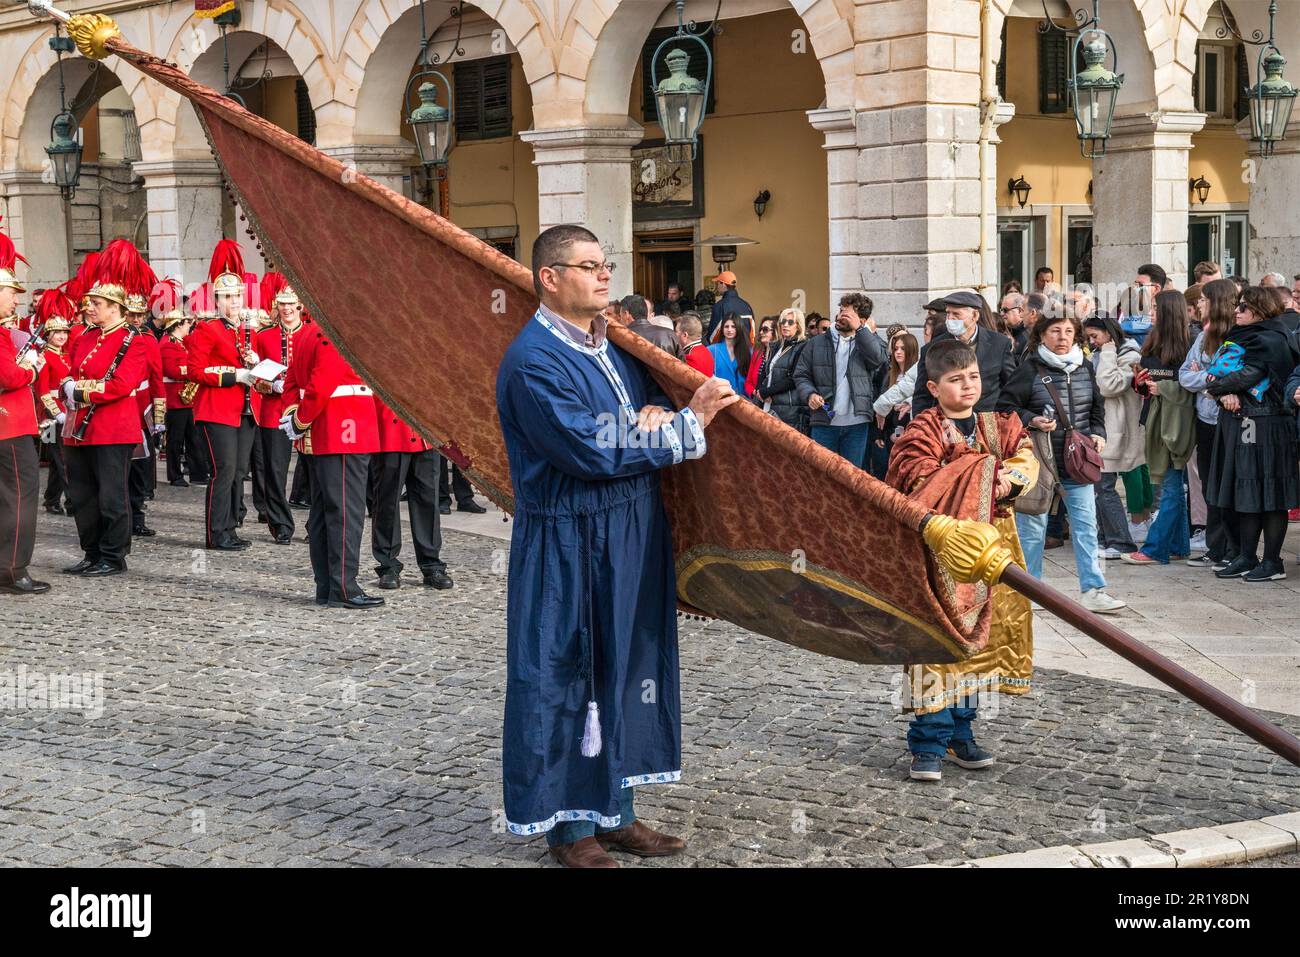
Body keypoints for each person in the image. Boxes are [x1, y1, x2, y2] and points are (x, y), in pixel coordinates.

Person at [495, 224, 738, 868]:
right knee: (568, 672)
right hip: (568, 538)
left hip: (629, 528)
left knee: (629, 666)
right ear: (550, 278)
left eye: (607, 264)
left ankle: (618, 810)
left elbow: (643, 401)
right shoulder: (533, 361)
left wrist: (660, 407)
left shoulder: (617, 346)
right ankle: (570, 827)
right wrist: (692, 423)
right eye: (589, 266)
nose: (606, 276)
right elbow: (591, 448)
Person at [886, 339, 1038, 782]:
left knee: (983, 641)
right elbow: (918, 480)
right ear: (934, 387)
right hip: (944, 553)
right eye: (956, 380)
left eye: (972, 376)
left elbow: (1025, 461)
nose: (968, 385)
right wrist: (990, 474)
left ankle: (961, 733)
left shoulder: (1000, 424)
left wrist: (1005, 477)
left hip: (997, 547)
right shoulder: (921, 431)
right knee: (940, 639)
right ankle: (927, 740)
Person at [999, 310, 1126, 613]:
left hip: (1075, 462)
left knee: (1085, 526)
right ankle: (1031, 591)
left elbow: (1097, 409)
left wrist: (1098, 434)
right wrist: (1032, 419)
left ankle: (1094, 590)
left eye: (1068, 331)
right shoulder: (1029, 368)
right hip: (1038, 462)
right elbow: (1005, 406)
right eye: (1055, 331)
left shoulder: (1085, 368)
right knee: (1032, 529)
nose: (1062, 337)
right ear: (1041, 335)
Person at [281, 324, 384, 608]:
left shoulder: (304, 332)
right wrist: (301, 420)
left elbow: (291, 380)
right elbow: (323, 383)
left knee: (323, 512)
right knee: (345, 513)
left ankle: (327, 585)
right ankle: (344, 587)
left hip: (327, 432)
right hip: (343, 429)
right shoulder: (334, 329)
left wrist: (295, 417)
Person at [1203, 286, 1300, 581]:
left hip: (1269, 426)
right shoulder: (1239, 336)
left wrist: (1217, 387)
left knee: (1269, 493)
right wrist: (1221, 392)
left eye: (1243, 307)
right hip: (1241, 423)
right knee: (1244, 492)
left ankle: (1272, 562)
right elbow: (1215, 374)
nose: (1236, 311)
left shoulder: (1272, 338)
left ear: (1259, 309)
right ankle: (1246, 556)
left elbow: (1246, 375)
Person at [60, 271, 151, 578]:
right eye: (90, 303)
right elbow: (73, 371)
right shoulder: (85, 336)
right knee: (82, 495)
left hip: (112, 428)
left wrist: (79, 390)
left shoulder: (134, 341)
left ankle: (113, 555)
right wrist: (69, 386)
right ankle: (92, 551)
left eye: (97, 303)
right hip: (79, 427)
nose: (90, 307)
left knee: (111, 496)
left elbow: (121, 385)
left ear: (115, 307)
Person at [188, 241, 260, 551]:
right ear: (217, 301)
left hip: (244, 409)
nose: (233, 302)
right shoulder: (207, 329)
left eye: (237, 296)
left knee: (239, 472)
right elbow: (195, 370)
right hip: (216, 409)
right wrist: (235, 375)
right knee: (224, 471)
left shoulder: (246, 330)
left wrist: (255, 366)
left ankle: (230, 526)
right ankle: (215, 532)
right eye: (227, 297)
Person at [1122, 290, 1196, 565]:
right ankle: (1179, 544)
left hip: (1176, 425)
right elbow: (1148, 384)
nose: (1150, 314)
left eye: (1154, 309)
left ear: (1168, 313)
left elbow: (1192, 385)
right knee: (1172, 485)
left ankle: (1155, 548)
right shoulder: (1153, 342)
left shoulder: (1190, 344)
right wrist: (1140, 382)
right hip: (1154, 419)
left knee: (1172, 488)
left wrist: (1161, 386)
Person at [0, 232, 48, 595]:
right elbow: (10, 376)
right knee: (19, 497)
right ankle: (13, 570)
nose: (16, 298)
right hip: (9, 426)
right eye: (10, 292)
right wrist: (31, 366)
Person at [1180, 278, 1238, 569]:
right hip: (1205, 419)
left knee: (1228, 483)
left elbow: (1232, 377)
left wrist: (1205, 378)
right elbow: (1184, 375)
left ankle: (1232, 548)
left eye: (1203, 299)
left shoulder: (1238, 336)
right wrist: (1208, 379)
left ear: (1216, 302)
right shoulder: (1203, 338)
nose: (1199, 304)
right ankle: (1215, 547)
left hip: (1230, 421)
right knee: (1209, 483)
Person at [793, 292, 887, 467]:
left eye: (848, 314)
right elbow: (801, 374)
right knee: (820, 476)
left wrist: (860, 330)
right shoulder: (816, 343)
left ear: (863, 320)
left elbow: (878, 360)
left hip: (857, 423)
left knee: (851, 477)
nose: (841, 317)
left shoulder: (869, 342)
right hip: (824, 420)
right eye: (841, 311)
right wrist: (810, 394)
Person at [1083, 315, 1143, 559]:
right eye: (1088, 337)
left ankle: (1121, 542)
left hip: (1118, 431)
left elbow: (1108, 385)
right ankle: (1106, 538)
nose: (1092, 342)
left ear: (1108, 334)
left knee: (1104, 487)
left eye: (1095, 336)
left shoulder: (1129, 355)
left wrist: (1107, 351)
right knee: (1098, 486)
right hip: (1100, 429)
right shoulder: (1096, 355)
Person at [251, 280, 306, 544]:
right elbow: (255, 378)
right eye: (282, 304)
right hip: (275, 410)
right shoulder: (264, 336)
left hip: (309, 411)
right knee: (275, 471)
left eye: (290, 303)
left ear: (300, 305)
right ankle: (281, 523)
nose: (286, 309)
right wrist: (271, 384)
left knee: (315, 473)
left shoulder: (312, 333)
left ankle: (315, 525)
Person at [912, 291, 1016, 417]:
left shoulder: (999, 344)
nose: (950, 319)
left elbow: (1011, 388)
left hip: (989, 424)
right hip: (948, 426)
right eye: (948, 313)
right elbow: (922, 396)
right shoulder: (932, 348)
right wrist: (923, 425)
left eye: (956, 314)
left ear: (975, 316)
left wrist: (1004, 420)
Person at [124, 287, 166, 538]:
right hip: (119, 408)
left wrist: (159, 416)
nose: (137, 320)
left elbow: (156, 378)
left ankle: (137, 516)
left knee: (141, 467)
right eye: (131, 315)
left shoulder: (149, 339)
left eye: (140, 315)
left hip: (142, 410)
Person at [32, 291, 74, 515]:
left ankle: (50, 499)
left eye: (64, 332)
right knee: (63, 459)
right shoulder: (44, 356)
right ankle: (73, 501)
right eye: (57, 332)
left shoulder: (66, 356)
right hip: (50, 415)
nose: (61, 336)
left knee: (60, 459)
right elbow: (41, 390)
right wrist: (56, 413)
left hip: (68, 410)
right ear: (48, 334)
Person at [159, 308, 210, 486]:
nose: (190, 326)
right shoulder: (168, 344)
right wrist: (194, 371)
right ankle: (175, 475)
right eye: (188, 323)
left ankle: (198, 473)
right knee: (175, 440)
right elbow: (172, 370)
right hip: (175, 399)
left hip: (187, 399)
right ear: (178, 324)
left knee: (194, 437)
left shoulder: (181, 343)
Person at [869, 331, 919, 476]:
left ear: (911, 350)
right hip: (886, 435)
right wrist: (878, 434)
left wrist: (899, 433)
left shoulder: (919, 376)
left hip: (908, 436)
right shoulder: (889, 374)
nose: (898, 352)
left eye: (903, 349)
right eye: (896, 348)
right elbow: (880, 404)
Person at [752, 308, 809, 433]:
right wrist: (759, 390)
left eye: (790, 322)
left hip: (788, 408)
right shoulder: (776, 346)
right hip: (768, 403)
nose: (785, 325)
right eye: (783, 321)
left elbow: (794, 378)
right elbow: (764, 370)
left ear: (798, 326)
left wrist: (767, 392)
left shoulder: (803, 346)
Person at [707, 314, 753, 396]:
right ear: (722, 328)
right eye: (726, 326)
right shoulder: (712, 350)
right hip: (720, 398)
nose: (729, 330)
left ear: (739, 327)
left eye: (733, 326)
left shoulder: (748, 351)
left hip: (744, 400)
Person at [706, 270, 755, 342]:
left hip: (725, 350)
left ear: (723, 284)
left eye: (718, 283)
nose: (717, 286)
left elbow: (712, 337)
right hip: (745, 350)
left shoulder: (719, 306)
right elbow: (752, 333)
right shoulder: (746, 306)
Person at [745, 317, 777, 397]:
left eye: (765, 329)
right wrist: (756, 393)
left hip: (775, 403)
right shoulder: (757, 353)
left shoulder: (780, 355)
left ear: (775, 332)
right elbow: (748, 383)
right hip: (757, 402)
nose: (761, 332)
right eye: (761, 329)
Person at [675, 312, 714, 377]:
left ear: (685, 335)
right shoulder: (706, 350)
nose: (674, 334)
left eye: (676, 331)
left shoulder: (690, 357)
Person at [998, 291, 1030, 356]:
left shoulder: (1029, 335)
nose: (1001, 314)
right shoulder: (1003, 332)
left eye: (1005, 310)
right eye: (1001, 310)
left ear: (1020, 311)